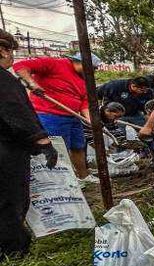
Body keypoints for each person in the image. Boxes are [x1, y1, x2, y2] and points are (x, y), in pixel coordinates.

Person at [0, 30, 58, 255]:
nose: (11, 57)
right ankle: (12, 250)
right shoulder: (3, 79)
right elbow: (15, 112)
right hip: (5, 149)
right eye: (11, 51)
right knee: (9, 198)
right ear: (3, 50)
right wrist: (42, 141)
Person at [13, 52, 100, 181]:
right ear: (81, 63)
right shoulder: (54, 63)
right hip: (50, 115)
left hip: (73, 117)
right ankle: (60, 180)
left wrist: (89, 119)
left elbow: (84, 102)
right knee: (57, 149)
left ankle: (83, 176)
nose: (93, 72)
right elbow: (20, 66)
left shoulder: (84, 79)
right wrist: (31, 82)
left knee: (78, 147)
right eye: (92, 68)